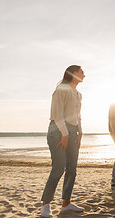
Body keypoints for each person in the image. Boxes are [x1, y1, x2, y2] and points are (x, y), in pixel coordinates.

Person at [41, 65, 85, 217]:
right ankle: (46, 204)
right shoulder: (61, 89)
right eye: (82, 72)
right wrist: (65, 135)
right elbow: (57, 113)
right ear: (73, 74)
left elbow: (78, 116)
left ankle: (66, 204)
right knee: (59, 168)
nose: (84, 75)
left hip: (73, 132)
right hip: (58, 132)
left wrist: (80, 132)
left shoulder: (78, 94)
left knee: (72, 169)